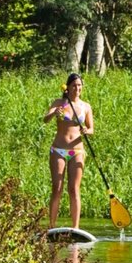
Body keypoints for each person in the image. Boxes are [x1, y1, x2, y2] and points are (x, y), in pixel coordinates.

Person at [43, 73, 94, 229]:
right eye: (74, 85)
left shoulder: (86, 106)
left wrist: (87, 130)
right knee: (57, 189)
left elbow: (91, 129)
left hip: (77, 151)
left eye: (79, 85)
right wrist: (54, 113)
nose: (77, 88)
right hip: (58, 150)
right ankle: (52, 226)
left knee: (73, 189)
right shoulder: (59, 103)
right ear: (68, 87)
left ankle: (75, 228)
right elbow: (46, 119)